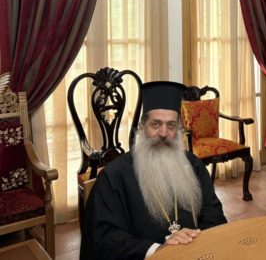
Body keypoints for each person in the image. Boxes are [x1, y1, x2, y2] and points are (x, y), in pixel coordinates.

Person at [80, 81, 227, 260]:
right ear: (142, 128)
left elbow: (213, 214)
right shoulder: (114, 176)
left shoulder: (193, 165)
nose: (163, 133)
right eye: (156, 124)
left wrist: (196, 241)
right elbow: (103, 237)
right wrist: (156, 250)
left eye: (171, 125)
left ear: (179, 130)